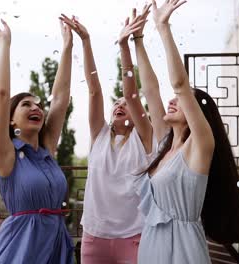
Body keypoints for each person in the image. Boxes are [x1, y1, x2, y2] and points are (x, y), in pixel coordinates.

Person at [135, 1, 239, 263]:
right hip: (152, 248)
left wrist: (163, 27)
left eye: (185, 101)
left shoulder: (200, 146)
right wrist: (137, 40)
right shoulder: (166, 143)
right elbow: (150, 90)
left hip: (183, 252)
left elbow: (179, 84)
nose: (172, 101)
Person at [60, 8, 155, 264]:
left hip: (134, 236)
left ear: (138, 114)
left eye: (126, 103)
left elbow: (132, 93)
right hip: (94, 237)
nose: (120, 104)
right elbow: (94, 91)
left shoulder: (144, 138)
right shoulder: (99, 135)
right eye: (117, 102)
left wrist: (125, 46)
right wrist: (86, 41)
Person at [0, 15, 74, 263]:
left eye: (37, 105)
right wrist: (5, 43)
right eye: (26, 104)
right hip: (21, 246)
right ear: (11, 120)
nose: (35, 108)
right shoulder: (6, 153)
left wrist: (67, 47)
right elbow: (1, 95)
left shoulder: (47, 150)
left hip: (55, 242)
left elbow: (60, 99)